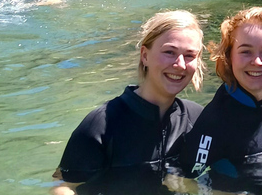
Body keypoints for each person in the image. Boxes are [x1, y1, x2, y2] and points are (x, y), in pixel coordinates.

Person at [51, 11, 205, 195]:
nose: (180, 64)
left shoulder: (199, 120)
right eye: (169, 52)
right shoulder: (102, 124)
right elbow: (64, 186)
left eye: (189, 55)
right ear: (145, 56)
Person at [178, 6, 262, 190]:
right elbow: (183, 180)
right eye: (245, 51)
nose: (257, 61)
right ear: (229, 56)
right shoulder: (214, 121)